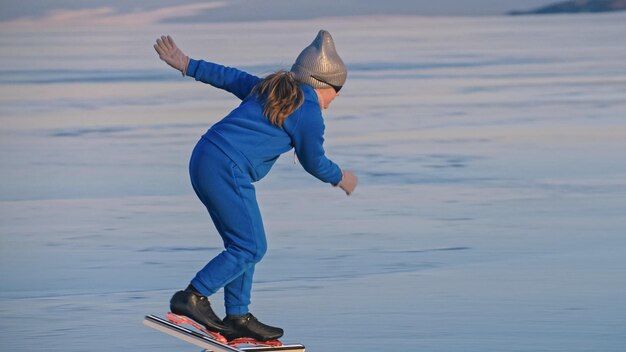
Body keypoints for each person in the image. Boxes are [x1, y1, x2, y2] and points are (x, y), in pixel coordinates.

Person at [153, 30, 358, 342]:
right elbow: (313, 161)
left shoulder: (270, 88)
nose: (337, 96)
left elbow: (227, 76)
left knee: (242, 244)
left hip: (205, 158)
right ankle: (192, 297)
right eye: (338, 89)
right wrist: (340, 176)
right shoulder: (310, 111)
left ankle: (238, 316)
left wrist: (187, 63)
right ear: (323, 84)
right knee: (251, 246)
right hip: (227, 167)